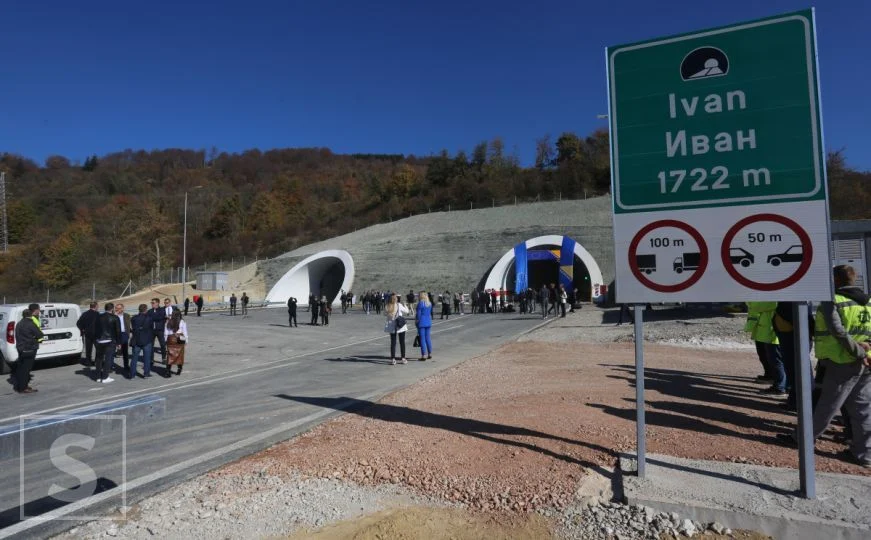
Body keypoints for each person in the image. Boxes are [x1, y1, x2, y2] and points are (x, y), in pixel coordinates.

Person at [799, 265, 871, 466]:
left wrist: (858, 352)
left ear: (836, 280)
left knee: (828, 405)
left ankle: (803, 440)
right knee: (863, 409)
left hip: (841, 361)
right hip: (865, 362)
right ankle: (865, 454)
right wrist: (866, 352)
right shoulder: (868, 302)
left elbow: (837, 331)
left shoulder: (832, 301)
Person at [745, 301, 785, 395]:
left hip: (772, 333)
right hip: (763, 330)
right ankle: (770, 376)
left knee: (776, 361)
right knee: (765, 357)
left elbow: (758, 306)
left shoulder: (774, 298)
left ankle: (780, 387)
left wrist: (750, 302)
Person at [13, 306, 44, 393]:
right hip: (29, 348)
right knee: (26, 369)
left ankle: (21, 386)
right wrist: (34, 337)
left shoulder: (19, 323)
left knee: (21, 368)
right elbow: (40, 334)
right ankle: (23, 388)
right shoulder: (31, 324)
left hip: (20, 348)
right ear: (31, 315)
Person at [93, 303, 121, 383]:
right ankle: (105, 377)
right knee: (108, 359)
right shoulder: (115, 317)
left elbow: (95, 328)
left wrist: (96, 338)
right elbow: (118, 331)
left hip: (99, 340)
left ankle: (98, 377)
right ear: (112, 309)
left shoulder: (98, 317)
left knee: (99, 359)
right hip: (109, 340)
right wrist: (119, 342)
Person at [130, 304, 153, 378]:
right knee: (147, 358)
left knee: (134, 358)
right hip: (146, 340)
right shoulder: (149, 318)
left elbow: (133, 328)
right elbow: (151, 328)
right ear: (146, 310)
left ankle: (132, 374)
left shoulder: (133, 318)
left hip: (136, 339)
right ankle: (146, 373)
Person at [384, 294, 409, 365]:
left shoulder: (387, 306)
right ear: (396, 299)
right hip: (400, 326)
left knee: (393, 343)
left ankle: (393, 359)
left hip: (392, 326)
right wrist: (405, 305)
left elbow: (384, 314)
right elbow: (407, 311)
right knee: (402, 342)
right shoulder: (399, 305)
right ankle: (403, 358)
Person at [165, 311, 188, 377]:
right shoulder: (182, 322)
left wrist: (165, 340)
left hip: (171, 339)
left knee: (170, 356)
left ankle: (168, 371)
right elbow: (185, 332)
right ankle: (179, 369)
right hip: (179, 340)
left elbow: (166, 332)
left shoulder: (169, 321)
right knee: (179, 356)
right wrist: (186, 341)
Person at [77, 302, 99, 366]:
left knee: (88, 349)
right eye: (97, 306)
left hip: (87, 334)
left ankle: (88, 362)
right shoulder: (97, 314)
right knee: (98, 348)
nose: (98, 307)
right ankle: (97, 362)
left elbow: (78, 323)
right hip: (96, 334)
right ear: (95, 306)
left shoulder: (85, 314)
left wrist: (82, 329)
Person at [148, 298, 167, 364]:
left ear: (157, 303)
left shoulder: (162, 310)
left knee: (162, 344)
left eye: (153, 303)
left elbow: (160, 318)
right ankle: (151, 359)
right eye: (151, 303)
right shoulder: (150, 311)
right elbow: (149, 319)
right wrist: (155, 317)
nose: (152, 304)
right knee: (151, 345)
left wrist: (153, 317)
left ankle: (164, 358)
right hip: (151, 330)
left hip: (160, 330)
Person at [114, 304, 132, 376]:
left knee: (125, 351)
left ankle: (126, 365)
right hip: (116, 334)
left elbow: (129, 325)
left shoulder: (127, 315)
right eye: (116, 308)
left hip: (124, 334)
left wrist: (129, 333)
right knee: (112, 350)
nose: (117, 310)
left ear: (123, 308)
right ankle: (110, 366)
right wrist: (115, 316)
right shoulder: (113, 316)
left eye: (119, 308)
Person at [416, 292, 433, 361]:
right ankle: (430, 353)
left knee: (422, 339)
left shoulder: (420, 303)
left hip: (422, 322)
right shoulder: (429, 303)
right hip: (428, 321)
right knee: (428, 338)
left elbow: (418, 314)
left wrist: (417, 322)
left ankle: (424, 355)